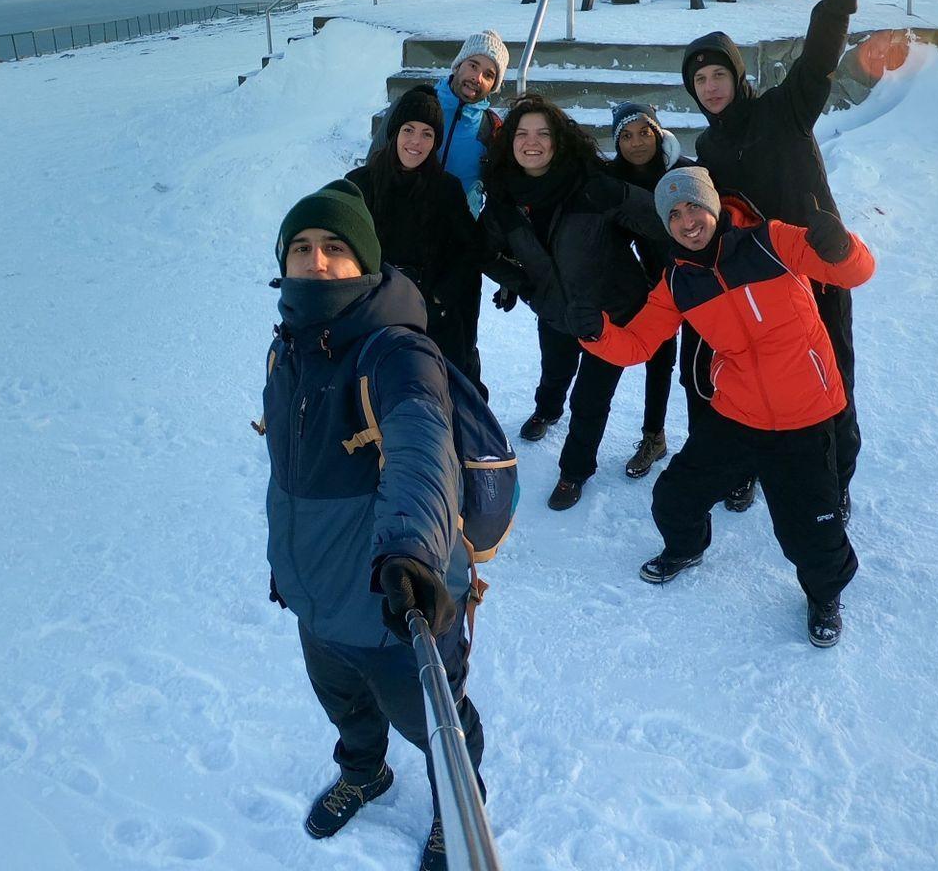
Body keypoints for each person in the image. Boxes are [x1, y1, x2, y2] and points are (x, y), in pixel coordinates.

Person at [263, 181, 483, 871]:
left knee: (437, 721)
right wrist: (288, 564)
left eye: (335, 248)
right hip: (317, 595)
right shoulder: (288, 349)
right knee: (345, 705)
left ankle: (458, 801)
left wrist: (411, 554)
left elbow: (421, 447)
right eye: (301, 248)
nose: (317, 262)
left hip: (396, 598)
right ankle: (365, 770)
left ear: (365, 262)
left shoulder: (396, 352)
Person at [580, 166, 874, 647]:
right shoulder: (678, 280)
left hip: (805, 415)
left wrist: (840, 245)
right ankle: (686, 547)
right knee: (674, 497)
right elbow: (636, 345)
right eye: (673, 214)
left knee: (810, 530)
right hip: (737, 416)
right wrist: (594, 333)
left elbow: (856, 273)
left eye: (693, 206)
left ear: (714, 205)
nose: (686, 221)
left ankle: (824, 595)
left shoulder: (772, 242)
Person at [682, 0, 863, 521]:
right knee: (752, 378)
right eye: (699, 80)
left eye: (718, 74)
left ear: (737, 76)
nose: (710, 87)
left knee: (831, 376)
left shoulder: (784, 110)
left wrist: (835, 3)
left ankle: (835, 481)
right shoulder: (707, 149)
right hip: (758, 283)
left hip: (817, 269)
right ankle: (746, 470)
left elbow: (817, 64)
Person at [480, 94, 668, 510]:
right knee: (555, 369)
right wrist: (525, 285)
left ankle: (574, 471)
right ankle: (547, 411)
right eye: (522, 133)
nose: (533, 142)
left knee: (591, 398)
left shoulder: (592, 186)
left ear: (558, 141)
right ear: (509, 141)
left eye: (543, 134)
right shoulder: (504, 200)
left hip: (610, 311)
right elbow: (484, 252)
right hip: (553, 308)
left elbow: (659, 218)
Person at [349, 83, 487, 389]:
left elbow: (468, 252)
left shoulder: (446, 188)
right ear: (394, 132)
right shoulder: (361, 184)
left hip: (431, 312)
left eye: (427, 134)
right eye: (408, 130)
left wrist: (440, 295)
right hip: (374, 310)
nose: (416, 141)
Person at [603, 102, 703, 478]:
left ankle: (714, 447)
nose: (637, 143)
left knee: (704, 370)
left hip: (703, 282)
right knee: (659, 360)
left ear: (658, 131)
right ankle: (654, 436)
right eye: (626, 136)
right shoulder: (618, 181)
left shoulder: (686, 171)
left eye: (644, 131)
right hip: (658, 287)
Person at [434, 31, 508, 213]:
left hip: (459, 231)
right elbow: (378, 162)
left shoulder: (492, 127)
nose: (477, 78)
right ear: (458, 65)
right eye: (473, 65)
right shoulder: (419, 104)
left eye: (489, 75)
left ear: (493, 86)